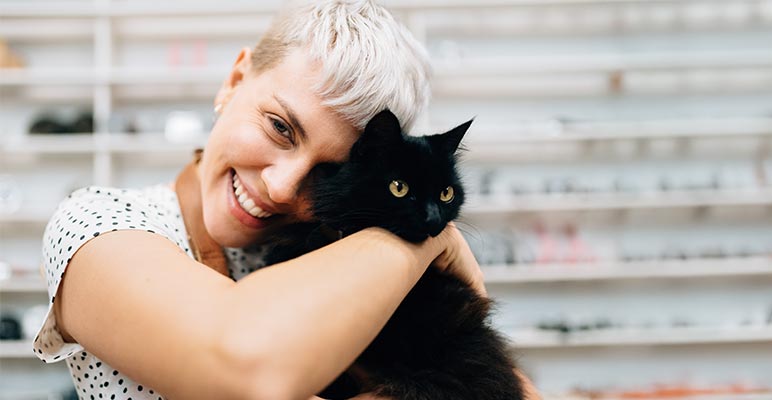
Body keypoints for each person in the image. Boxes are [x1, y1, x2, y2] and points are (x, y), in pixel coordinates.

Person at [34, 1, 539, 399]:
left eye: (327, 171)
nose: (281, 187)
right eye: (280, 127)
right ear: (234, 82)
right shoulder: (98, 223)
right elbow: (244, 368)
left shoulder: (336, 242)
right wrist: (427, 243)